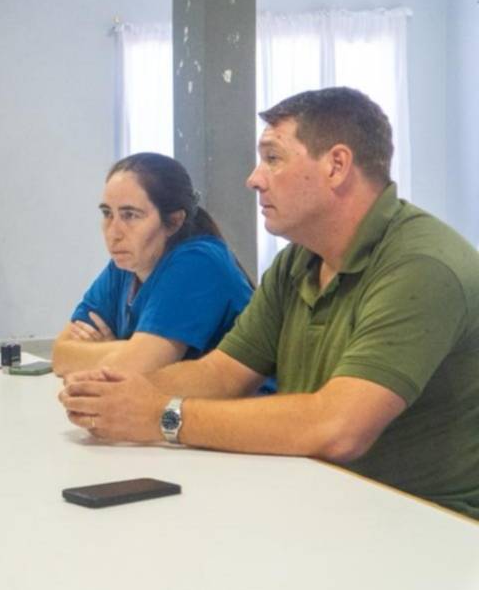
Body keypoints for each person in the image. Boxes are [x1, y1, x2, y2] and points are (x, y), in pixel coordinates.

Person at [59, 87, 479, 520]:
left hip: (424, 523)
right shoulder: (299, 260)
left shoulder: (421, 267)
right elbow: (222, 373)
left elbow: (338, 427)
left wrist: (162, 416)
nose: (254, 179)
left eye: (273, 158)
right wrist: (114, 397)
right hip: (321, 495)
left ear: (336, 165)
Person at [52, 152, 254, 377]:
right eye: (107, 213)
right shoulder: (124, 266)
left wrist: (123, 353)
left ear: (174, 221)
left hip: (243, 399)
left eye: (130, 215)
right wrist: (128, 350)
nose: (113, 233)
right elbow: (61, 355)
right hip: (168, 398)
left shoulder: (199, 262)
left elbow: (133, 368)